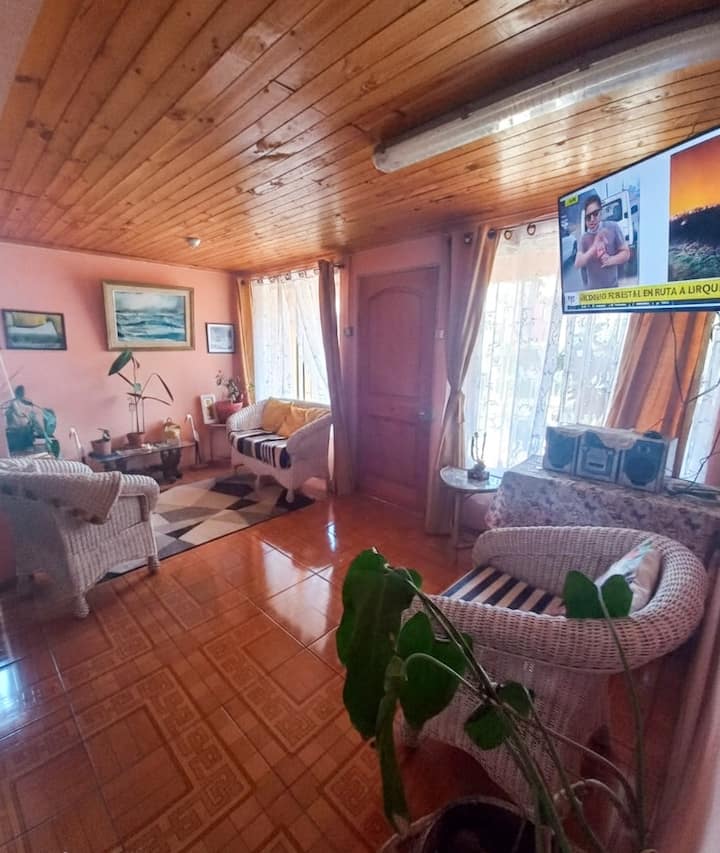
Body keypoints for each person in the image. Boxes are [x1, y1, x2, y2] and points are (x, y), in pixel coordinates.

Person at [574, 193, 630, 289]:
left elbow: (626, 254)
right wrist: (594, 246)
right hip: (593, 292)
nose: (592, 219)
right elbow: (578, 263)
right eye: (588, 217)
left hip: (612, 289)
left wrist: (611, 260)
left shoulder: (613, 227)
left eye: (595, 214)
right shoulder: (584, 238)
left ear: (601, 212)